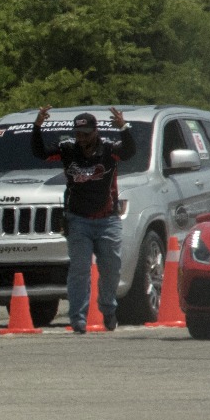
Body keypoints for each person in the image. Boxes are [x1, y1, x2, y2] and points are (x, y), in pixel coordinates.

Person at [31, 106, 136, 334]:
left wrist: (124, 128)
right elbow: (40, 152)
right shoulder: (68, 149)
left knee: (111, 267)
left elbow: (129, 152)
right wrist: (37, 125)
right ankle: (78, 319)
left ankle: (108, 309)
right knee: (79, 269)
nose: (82, 139)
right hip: (78, 220)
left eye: (86, 134)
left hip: (107, 219)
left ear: (95, 132)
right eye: (79, 134)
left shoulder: (109, 149)